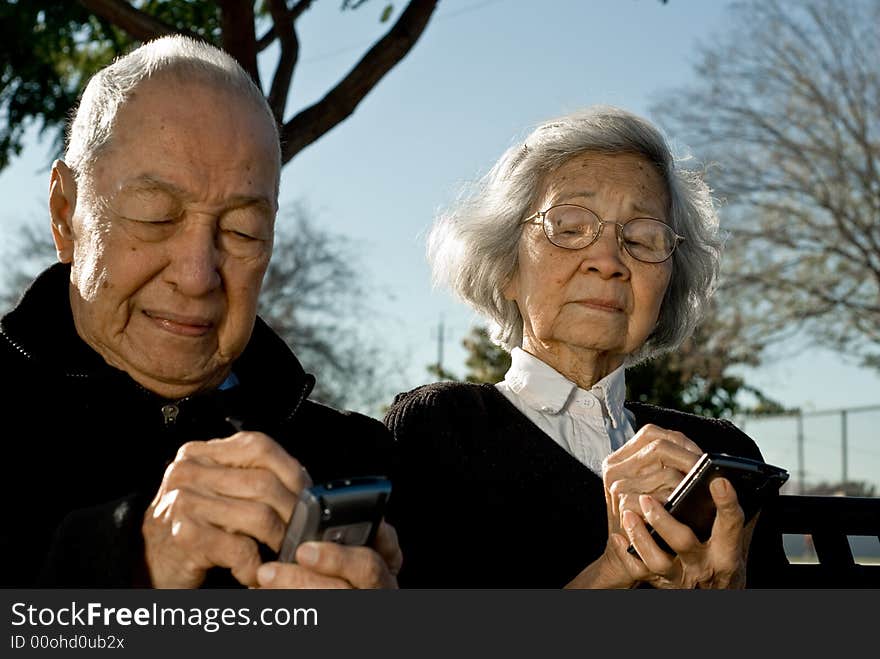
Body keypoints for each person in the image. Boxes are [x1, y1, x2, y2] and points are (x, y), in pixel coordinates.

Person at [0, 35, 401, 589]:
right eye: (156, 216)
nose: (196, 276)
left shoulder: (357, 463)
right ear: (66, 214)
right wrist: (130, 563)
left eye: (242, 232)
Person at [385, 106, 787, 589]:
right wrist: (613, 573)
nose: (608, 260)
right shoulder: (442, 427)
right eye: (570, 228)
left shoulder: (721, 455)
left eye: (642, 238)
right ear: (506, 268)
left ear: (667, 285)